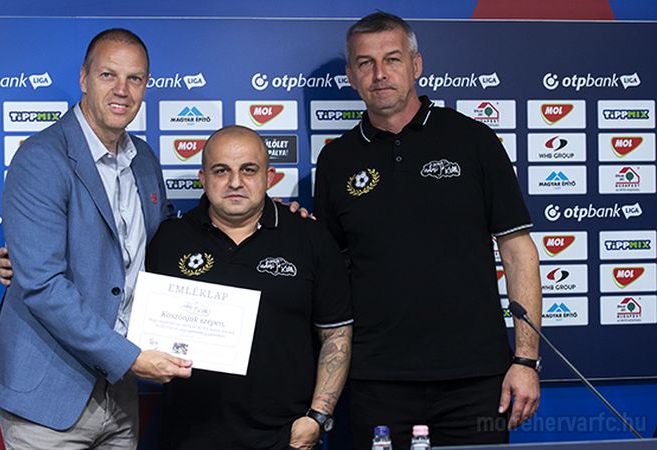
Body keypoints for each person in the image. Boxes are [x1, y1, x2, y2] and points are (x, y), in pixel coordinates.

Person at [313, 12, 542, 448]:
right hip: (375, 379)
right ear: (351, 77)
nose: (380, 74)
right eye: (365, 63)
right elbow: (330, 269)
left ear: (416, 65)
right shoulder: (336, 160)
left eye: (392, 59)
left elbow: (517, 250)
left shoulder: (474, 141)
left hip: (476, 378)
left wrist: (526, 360)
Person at [0, 28, 192, 449]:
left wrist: (263, 215)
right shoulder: (42, 158)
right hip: (49, 393)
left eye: (135, 78)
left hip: (120, 390)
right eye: (108, 75)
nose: (122, 90)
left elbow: (166, 246)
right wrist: (130, 358)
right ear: (83, 78)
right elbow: (43, 285)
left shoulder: (144, 160)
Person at [147, 125, 352, 450]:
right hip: (189, 437)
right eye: (221, 170)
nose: (235, 182)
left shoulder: (310, 238)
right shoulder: (169, 239)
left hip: (285, 438)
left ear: (269, 177)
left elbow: (336, 334)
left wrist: (317, 417)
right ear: (202, 178)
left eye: (248, 170)